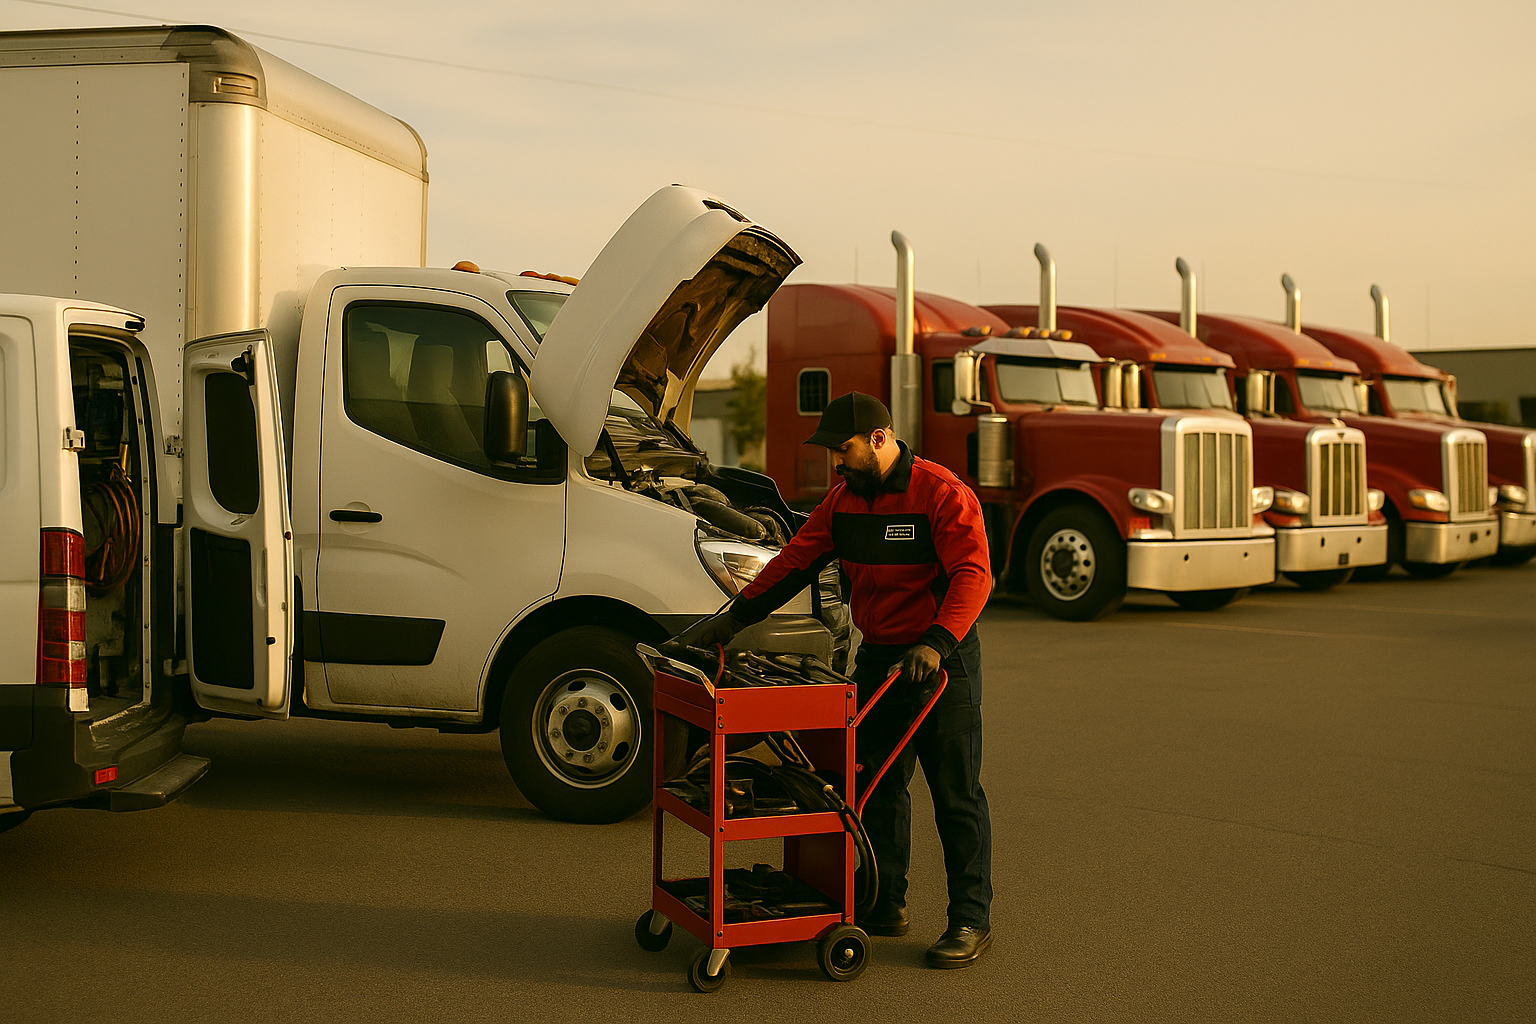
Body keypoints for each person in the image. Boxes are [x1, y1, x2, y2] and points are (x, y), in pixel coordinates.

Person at [675, 391, 994, 968]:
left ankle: (970, 918)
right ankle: (885, 902)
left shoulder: (941, 494)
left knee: (956, 794)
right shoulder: (842, 503)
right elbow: (793, 562)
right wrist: (728, 622)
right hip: (879, 658)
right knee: (875, 784)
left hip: (940, 659)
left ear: (879, 439)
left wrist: (937, 643)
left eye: (842, 450)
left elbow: (973, 574)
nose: (835, 464)